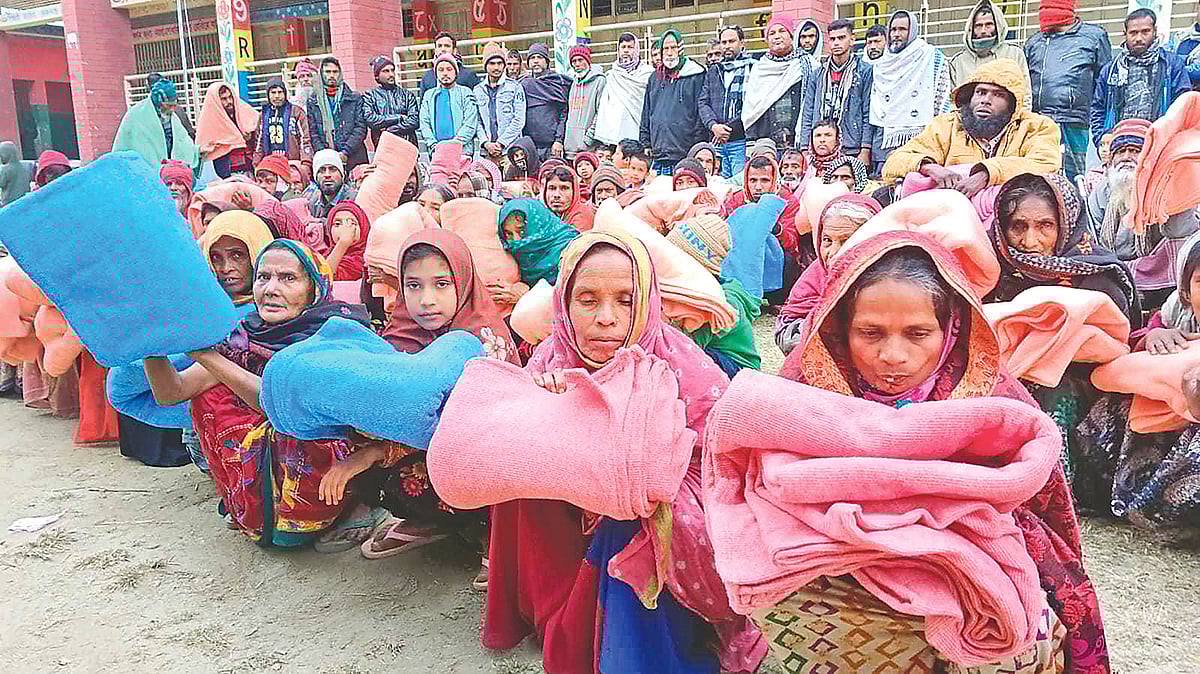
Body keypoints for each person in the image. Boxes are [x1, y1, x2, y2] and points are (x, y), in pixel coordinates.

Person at [771, 231, 1109, 673]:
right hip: (844, 590)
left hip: (978, 586)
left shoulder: (993, 404)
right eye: (869, 332)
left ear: (951, 328)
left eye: (918, 334)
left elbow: (1043, 514)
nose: (893, 356)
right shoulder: (804, 396)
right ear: (838, 325)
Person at [484, 229, 767, 674]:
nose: (606, 318)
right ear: (564, 304)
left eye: (625, 301)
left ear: (648, 303)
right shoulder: (551, 357)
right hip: (574, 507)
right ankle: (553, 610)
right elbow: (510, 438)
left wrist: (633, 470)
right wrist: (545, 408)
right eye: (588, 300)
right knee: (518, 480)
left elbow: (723, 460)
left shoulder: (680, 362)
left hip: (664, 500)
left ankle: (629, 649)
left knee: (635, 516)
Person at [144, 240, 387, 549]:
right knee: (209, 395)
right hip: (278, 472)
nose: (271, 289)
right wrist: (150, 342)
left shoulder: (336, 335)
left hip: (338, 474)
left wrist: (204, 354)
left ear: (315, 288)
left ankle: (358, 505)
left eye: (288, 278)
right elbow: (171, 392)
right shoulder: (245, 337)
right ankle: (262, 507)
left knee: (292, 423)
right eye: (263, 277)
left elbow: (278, 404)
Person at [355, 229, 519, 572]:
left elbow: (488, 433)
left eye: (441, 284)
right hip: (425, 457)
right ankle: (434, 521)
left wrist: (380, 450)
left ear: (463, 281)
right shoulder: (400, 334)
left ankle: (493, 531)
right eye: (413, 286)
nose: (426, 299)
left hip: (478, 461)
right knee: (354, 443)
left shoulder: (486, 340)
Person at [989, 172, 1139, 481]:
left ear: (1067, 225)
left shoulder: (1097, 275)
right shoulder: (992, 271)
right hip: (1006, 377)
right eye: (1018, 227)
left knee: (1052, 388)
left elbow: (1114, 343)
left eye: (1045, 226)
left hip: (1084, 386)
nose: (1030, 241)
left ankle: (1051, 483)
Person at [1078, 230, 1200, 529]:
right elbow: (1139, 341)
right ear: (1185, 290)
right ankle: (1105, 494)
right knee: (1116, 403)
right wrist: (1152, 336)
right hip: (1167, 410)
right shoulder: (1175, 314)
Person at [882, 59, 1062, 194]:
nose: (986, 100)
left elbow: (1045, 164)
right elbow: (894, 162)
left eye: (998, 95)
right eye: (981, 92)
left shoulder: (1036, 126)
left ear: (1012, 104)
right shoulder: (946, 125)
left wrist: (986, 174)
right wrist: (930, 167)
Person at [1087, 118, 1199, 307]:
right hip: (1114, 270)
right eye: (1120, 151)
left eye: (1135, 151)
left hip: (1159, 274)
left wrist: (1168, 191)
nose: (1126, 157)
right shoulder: (1102, 190)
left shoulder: (1167, 184)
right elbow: (1093, 238)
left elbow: (1180, 233)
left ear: (1149, 156)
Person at [774, 194, 881, 353]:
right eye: (827, 241)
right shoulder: (816, 276)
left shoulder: (891, 278)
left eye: (846, 241)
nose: (834, 252)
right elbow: (785, 332)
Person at [1024, 0, 1111, 179]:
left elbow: (1105, 84)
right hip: (1039, 123)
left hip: (1077, 123)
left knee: (1078, 179)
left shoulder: (1093, 37)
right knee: (1040, 179)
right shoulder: (1034, 42)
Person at [1090, 8, 1190, 147]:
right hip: (1119, 145)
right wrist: (1101, 138)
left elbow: (1184, 106)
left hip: (1160, 144)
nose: (1139, 38)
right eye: (1133, 33)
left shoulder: (1171, 65)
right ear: (1124, 34)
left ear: (1155, 31)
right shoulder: (1111, 69)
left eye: (1145, 32)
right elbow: (1097, 108)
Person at [869, 11, 951, 173]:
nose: (896, 34)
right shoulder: (881, 63)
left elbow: (942, 99)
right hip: (885, 139)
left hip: (921, 138)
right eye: (893, 30)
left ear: (912, 31)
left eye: (902, 29)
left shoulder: (931, 56)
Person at [800, 19, 874, 168]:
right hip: (819, 149)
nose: (836, 43)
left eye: (841, 38)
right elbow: (807, 112)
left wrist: (865, 149)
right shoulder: (817, 74)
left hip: (851, 147)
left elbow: (868, 112)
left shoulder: (864, 71)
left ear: (852, 39)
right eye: (832, 39)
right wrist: (804, 148)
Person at [640, 29, 707, 176]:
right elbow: (647, 112)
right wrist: (646, 142)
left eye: (673, 48)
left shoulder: (696, 75)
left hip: (684, 156)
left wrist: (695, 147)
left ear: (680, 49)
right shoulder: (655, 78)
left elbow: (700, 113)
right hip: (658, 156)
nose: (669, 53)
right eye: (666, 49)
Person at [741, 16, 813, 151]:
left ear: (791, 36)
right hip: (765, 142)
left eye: (782, 31)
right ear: (766, 40)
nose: (777, 36)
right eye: (772, 33)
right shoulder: (759, 68)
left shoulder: (807, 65)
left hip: (798, 141)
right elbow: (751, 109)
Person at [949, 0, 1032, 108]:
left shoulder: (1014, 54)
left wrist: (1019, 124)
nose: (983, 30)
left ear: (998, 26)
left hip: (1008, 122)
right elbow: (953, 103)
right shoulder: (958, 62)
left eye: (989, 25)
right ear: (971, 29)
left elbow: (1025, 96)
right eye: (978, 26)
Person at [699, 25, 756, 178]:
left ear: (742, 43)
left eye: (732, 41)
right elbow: (703, 102)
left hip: (740, 141)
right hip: (716, 142)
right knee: (716, 187)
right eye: (724, 42)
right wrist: (714, 126)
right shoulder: (714, 70)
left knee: (738, 187)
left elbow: (751, 106)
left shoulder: (753, 68)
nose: (727, 46)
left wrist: (725, 130)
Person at [113, 78, 199, 170]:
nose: (173, 109)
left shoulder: (173, 118)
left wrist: (198, 151)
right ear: (159, 103)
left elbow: (183, 144)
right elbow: (125, 150)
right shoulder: (135, 116)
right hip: (144, 173)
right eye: (168, 105)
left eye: (174, 105)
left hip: (171, 174)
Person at [497, 198, 579, 290]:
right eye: (508, 234)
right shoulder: (515, 260)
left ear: (538, 225)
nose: (517, 240)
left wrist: (527, 296)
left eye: (522, 231)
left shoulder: (572, 249)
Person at [306, 57, 368, 171]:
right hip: (326, 160)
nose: (331, 75)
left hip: (354, 156)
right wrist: (327, 155)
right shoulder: (313, 101)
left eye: (335, 72)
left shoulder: (354, 98)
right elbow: (313, 132)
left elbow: (361, 128)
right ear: (321, 74)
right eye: (327, 72)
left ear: (340, 74)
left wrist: (345, 152)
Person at [474, 41, 527, 166]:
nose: (496, 67)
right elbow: (477, 121)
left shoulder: (515, 87)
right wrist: (486, 143)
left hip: (511, 151)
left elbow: (519, 120)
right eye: (492, 63)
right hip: (487, 152)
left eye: (499, 63)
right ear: (485, 66)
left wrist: (501, 143)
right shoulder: (477, 90)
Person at [254, 77, 313, 186]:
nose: (277, 96)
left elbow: (304, 140)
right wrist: (256, 163)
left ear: (285, 93)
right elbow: (259, 141)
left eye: (280, 92)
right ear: (268, 94)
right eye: (273, 92)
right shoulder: (263, 114)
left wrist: (305, 164)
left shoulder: (296, 112)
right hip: (271, 165)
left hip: (292, 164)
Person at [419, 54, 479, 156]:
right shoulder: (429, 95)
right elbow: (424, 123)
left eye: (449, 69)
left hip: (462, 152)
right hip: (436, 153)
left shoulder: (465, 93)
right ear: (436, 74)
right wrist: (433, 145)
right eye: (441, 70)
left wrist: (454, 145)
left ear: (456, 73)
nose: (445, 73)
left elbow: (470, 123)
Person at [521, 43, 572, 160]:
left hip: (552, 145)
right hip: (530, 145)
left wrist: (559, 140)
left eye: (540, 57)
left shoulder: (557, 82)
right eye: (532, 58)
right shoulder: (524, 84)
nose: (536, 61)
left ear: (547, 61)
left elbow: (563, 114)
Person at [196, 82, 259, 178]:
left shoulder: (242, 112)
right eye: (224, 99)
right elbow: (204, 146)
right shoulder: (209, 122)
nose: (229, 102)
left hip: (249, 168)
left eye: (230, 97)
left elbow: (256, 124)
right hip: (227, 172)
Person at [363, 55, 420, 147]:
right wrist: (398, 118)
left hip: (407, 145)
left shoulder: (407, 95)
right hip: (383, 147)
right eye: (386, 71)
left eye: (392, 70)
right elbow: (370, 119)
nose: (391, 74)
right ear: (377, 76)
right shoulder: (370, 96)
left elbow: (414, 120)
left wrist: (390, 130)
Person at [564, 46, 606, 159]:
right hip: (570, 149)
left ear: (587, 60)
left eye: (580, 60)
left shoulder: (600, 81)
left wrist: (587, 140)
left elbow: (601, 113)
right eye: (574, 61)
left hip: (589, 149)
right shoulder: (573, 84)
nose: (577, 64)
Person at [419, 31, 481, 97]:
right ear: (435, 50)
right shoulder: (427, 77)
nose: (443, 49)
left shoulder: (468, 75)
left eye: (447, 46)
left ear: (454, 50)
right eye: (439, 46)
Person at [324, 202, 371, 281]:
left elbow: (325, 279)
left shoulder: (365, 261)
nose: (345, 229)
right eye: (337, 224)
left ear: (363, 229)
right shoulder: (325, 255)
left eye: (352, 224)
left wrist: (343, 243)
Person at [541, 164, 594, 232]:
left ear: (574, 191)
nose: (557, 195)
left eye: (564, 188)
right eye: (552, 188)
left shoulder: (582, 215)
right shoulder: (544, 214)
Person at [306, 149, 357, 219]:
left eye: (333, 169)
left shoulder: (355, 200)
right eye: (322, 170)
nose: (327, 175)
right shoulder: (312, 202)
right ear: (316, 178)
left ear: (342, 175)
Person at [0, 140, 31, 207]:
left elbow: (1, 183)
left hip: (9, 202)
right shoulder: (23, 166)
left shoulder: (6, 169)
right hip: (24, 200)